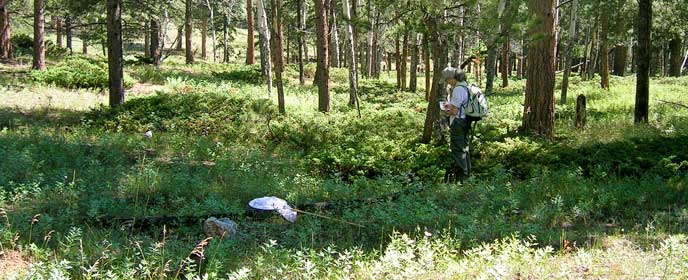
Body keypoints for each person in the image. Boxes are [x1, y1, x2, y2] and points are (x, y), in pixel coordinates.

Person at [440, 66, 471, 182]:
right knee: (464, 149)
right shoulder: (465, 85)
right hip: (465, 121)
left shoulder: (458, 89)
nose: (447, 82)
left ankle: (462, 180)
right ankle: (467, 176)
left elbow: (454, 111)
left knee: (458, 150)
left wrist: (443, 110)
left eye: (447, 80)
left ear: (452, 78)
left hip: (458, 122)